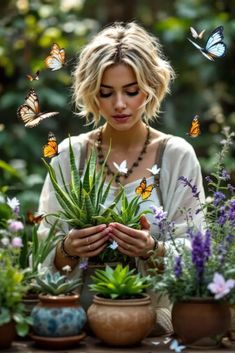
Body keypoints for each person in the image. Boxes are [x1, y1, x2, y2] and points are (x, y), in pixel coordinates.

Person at [38, 22, 205, 335]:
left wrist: (152, 249)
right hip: (73, 328)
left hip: (155, 328)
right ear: (91, 93)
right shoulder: (68, 155)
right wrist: (69, 248)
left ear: (151, 87)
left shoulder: (177, 156)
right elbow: (44, 255)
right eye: (106, 93)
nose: (119, 104)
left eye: (131, 91)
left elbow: (197, 254)